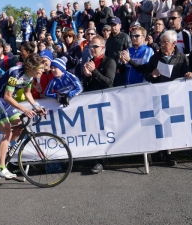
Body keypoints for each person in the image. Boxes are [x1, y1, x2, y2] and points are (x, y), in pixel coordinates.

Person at [0, 53, 46, 178]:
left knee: (19, 129)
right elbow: (7, 96)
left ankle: (1, 148)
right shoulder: (15, 73)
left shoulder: (30, 76)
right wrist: (24, 109)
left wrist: (36, 107)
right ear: (33, 67)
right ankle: (1, 168)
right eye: (41, 68)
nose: (43, 70)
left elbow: (28, 93)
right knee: (7, 132)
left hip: (7, 102)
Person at [144, 30, 192, 166]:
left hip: (176, 97)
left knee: (172, 125)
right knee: (161, 124)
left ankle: (170, 153)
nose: (161, 45)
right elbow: (147, 75)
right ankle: (160, 151)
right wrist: (152, 75)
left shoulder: (182, 57)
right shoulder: (155, 58)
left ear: (173, 43)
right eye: (160, 42)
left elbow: (186, 71)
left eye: (164, 42)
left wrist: (189, 74)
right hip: (159, 96)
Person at [83, 35, 116, 173]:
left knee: (104, 131)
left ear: (103, 48)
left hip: (104, 102)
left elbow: (108, 82)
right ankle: (94, 157)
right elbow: (87, 86)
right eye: (90, 46)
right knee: (93, 130)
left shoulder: (109, 62)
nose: (92, 49)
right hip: (92, 102)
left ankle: (101, 161)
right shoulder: (90, 62)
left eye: (95, 46)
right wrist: (87, 77)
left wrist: (94, 72)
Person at [105, 16, 132, 86]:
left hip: (120, 70)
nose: (113, 27)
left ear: (120, 25)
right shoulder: (109, 39)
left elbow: (129, 54)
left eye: (115, 25)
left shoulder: (125, 37)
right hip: (110, 70)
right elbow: (107, 54)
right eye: (111, 25)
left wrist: (122, 68)